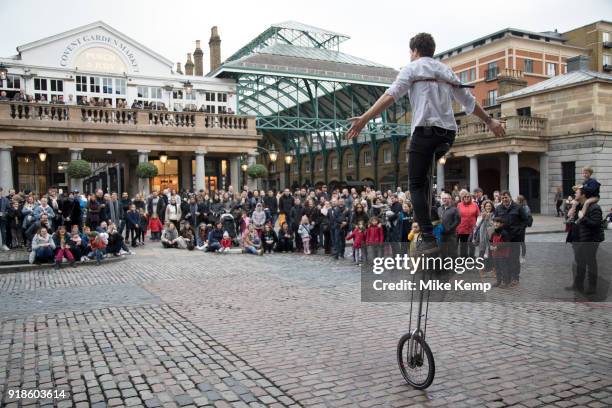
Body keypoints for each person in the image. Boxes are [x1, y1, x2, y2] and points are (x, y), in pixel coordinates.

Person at [346, 32, 505, 254]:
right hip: (448, 134)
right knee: (424, 180)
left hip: (424, 132)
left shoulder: (412, 68)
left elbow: (390, 96)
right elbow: (468, 101)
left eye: (410, 52)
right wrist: (490, 121)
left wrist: (364, 119)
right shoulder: (445, 70)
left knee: (415, 185)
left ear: (414, 51)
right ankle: (431, 216)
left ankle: (428, 236)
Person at [566, 187, 604, 295]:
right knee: (580, 263)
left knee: (591, 263)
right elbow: (569, 218)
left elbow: (596, 224)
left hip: (590, 239)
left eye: (576, 193)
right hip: (577, 239)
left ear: (583, 195)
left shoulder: (594, 207)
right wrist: (573, 206)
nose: (574, 194)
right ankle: (578, 285)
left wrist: (582, 218)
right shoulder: (579, 206)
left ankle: (592, 286)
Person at [493, 191, 528, 287]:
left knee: (514, 258)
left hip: (515, 238)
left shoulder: (518, 207)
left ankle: (515, 278)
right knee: (504, 258)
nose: (504, 199)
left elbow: (526, 220)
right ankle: (506, 278)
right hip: (503, 238)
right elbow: (495, 221)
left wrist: (520, 230)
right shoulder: (499, 208)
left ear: (510, 197)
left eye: (506, 197)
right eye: (503, 198)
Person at [456, 190, 479, 258]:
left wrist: (477, 226)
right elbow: (457, 216)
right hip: (462, 228)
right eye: (465, 197)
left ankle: (472, 257)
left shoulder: (475, 205)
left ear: (470, 197)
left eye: (468, 197)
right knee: (463, 244)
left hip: (472, 228)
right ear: (462, 198)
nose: (466, 198)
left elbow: (478, 215)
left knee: (471, 244)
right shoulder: (459, 205)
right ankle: (464, 258)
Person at [490, 217, 511, 288]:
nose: (495, 224)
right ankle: (498, 281)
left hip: (503, 254)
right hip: (495, 254)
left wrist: (497, 247)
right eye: (494, 222)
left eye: (497, 222)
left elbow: (507, 243)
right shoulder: (493, 233)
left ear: (501, 224)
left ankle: (505, 282)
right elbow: (490, 241)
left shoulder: (504, 233)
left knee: (503, 269)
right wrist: (491, 246)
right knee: (497, 268)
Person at [438, 192, 460, 259]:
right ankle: (443, 266)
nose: (444, 200)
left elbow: (457, 221)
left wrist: (450, 228)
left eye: (446, 198)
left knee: (452, 251)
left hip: (451, 234)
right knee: (442, 251)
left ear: (450, 199)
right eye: (443, 198)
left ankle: (453, 266)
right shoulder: (439, 209)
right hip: (441, 234)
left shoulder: (454, 209)